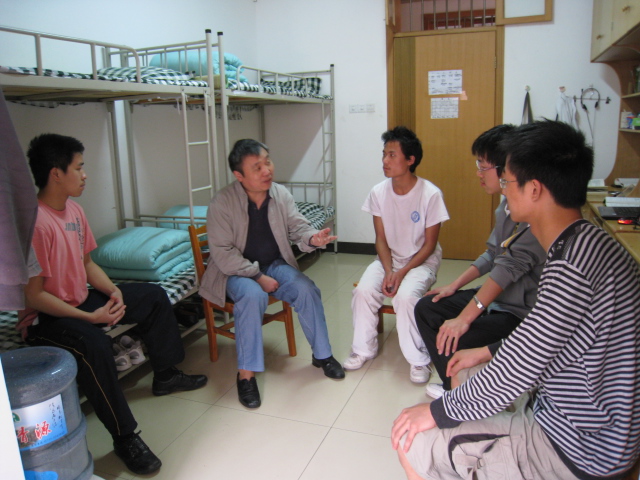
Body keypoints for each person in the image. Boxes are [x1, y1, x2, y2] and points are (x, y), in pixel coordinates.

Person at [391, 119, 640, 480]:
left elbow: (524, 363)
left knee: (410, 442)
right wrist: (488, 351)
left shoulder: (571, 265)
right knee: (464, 367)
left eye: (506, 181)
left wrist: (437, 412)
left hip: (580, 445)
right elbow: (547, 336)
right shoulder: (587, 241)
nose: (503, 190)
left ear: (534, 189)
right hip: (587, 417)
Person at [18, 133, 208, 476]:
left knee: (152, 296)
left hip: (80, 299)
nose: (85, 175)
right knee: (94, 345)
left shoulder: (74, 210)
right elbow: (34, 296)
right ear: (56, 173)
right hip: (46, 316)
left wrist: (113, 292)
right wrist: (91, 317)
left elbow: (87, 264)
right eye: (79, 168)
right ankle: (125, 437)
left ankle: (166, 375)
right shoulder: (36, 223)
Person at [198, 138, 344, 409]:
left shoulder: (280, 194)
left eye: (267, 162)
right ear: (239, 175)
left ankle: (322, 355)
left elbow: (298, 227)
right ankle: (246, 375)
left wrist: (313, 238)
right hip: (234, 272)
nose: (267, 170)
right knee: (253, 296)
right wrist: (257, 277)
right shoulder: (222, 203)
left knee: (306, 289)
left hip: (272, 264)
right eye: (257, 167)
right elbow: (223, 254)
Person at [414, 124, 546, 399]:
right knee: (428, 307)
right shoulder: (505, 206)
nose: (478, 173)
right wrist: (454, 286)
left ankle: (465, 392)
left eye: (483, 166)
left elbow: (507, 269)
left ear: (506, 168)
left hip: (519, 311)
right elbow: (493, 254)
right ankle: (453, 385)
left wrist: (465, 317)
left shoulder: (534, 216)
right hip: (498, 298)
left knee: (457, 335)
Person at [344, 126, 449, 384]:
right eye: (384, 154)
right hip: (389, 259)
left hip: (421, 261)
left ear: (410, 160)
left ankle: (419, 359)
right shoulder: (378, 192)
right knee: (363, 291)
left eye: (392, 155)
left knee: (405, 297)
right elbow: (380, 239)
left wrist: (401, 273)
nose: (385, 161)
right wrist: (390, 270)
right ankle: (363, 349)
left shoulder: (430, 194)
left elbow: (429, 245)